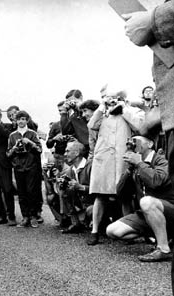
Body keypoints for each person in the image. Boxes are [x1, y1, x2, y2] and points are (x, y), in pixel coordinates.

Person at [122, 2, 174, 289]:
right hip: (158, 205)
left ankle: (164, 245)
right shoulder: (146, 140)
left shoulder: (159, 154)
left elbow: (159, 179)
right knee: (116, 228)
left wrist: (153, 20)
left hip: (164, 202)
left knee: (146, 200)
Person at [87, 85, 144, 246]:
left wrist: (123, 108)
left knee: (125, 195)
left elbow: (139, 126)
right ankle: (95, 231)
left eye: (114, 98)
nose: (111, 101)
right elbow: (91, 125)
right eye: (108, 98)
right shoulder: (103, 114)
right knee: (100, 195)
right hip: (103, 158)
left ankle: (129, 229)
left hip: (121, 159)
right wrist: (102, 106)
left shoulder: (131, 112)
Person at [106, 136, 174, 262]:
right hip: (148, 214)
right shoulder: (136, 165)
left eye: (136, 141)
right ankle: (160, 235)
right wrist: (130, 169)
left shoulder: (162, 159)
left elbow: (157, 181)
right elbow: (120, 193)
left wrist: (139, 163)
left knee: (146, 201)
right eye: (130, 142)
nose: (132, 144)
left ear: (150, 144)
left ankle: (164, 249)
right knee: (112, 231)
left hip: (169, 209)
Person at [6, 110, 43, 228]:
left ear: (27, 120)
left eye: (23, 119)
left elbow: (39, 149)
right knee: (21, 193)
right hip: (18, 167)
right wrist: (15, 148)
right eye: (19, 119)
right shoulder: (12, 135)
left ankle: (33, 216)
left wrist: (30, 143)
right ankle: (25, 216)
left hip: (31, 166)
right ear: (15, 121)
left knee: (31, 191)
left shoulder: (32, 133)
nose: (21, 121)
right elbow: (8, 154)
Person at [59, 141, 93, 234]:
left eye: (68, 151)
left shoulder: (91, 166)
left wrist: (80, 187)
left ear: (77, 153)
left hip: (92, 204)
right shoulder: (69, 171)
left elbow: (100, 190)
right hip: (80, 204)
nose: (65, 154)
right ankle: (76, 223)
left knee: (92, 210)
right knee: (64, 188)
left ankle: (96, 222)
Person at [59, 89, 89, 156]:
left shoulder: (90, 110)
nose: (72, 103)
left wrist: (79, 108)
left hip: (96, 145)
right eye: (69, 101)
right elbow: (65, 131)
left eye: (73, 100)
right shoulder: (73, 117)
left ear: (81, 97)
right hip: (84, 149)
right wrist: (64, 113)